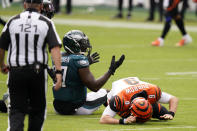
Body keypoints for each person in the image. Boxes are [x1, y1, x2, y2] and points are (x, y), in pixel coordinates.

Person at [0, 0, 62, 131]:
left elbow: (1, 47)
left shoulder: (13, 21)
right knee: (37, 112)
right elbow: (55, 47)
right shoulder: (46, 23)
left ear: (24, 4)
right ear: (40, 6)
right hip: (37, 72)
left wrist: (1, 65)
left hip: (16, 71)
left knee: (16, 112)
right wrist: (58, 72)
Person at [49, 30, 125, 115]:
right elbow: (95, 87)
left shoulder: (57, 56)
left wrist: (86, 64)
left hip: (58, 107)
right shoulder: (79, 60)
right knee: (107, 92)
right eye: (82, 43)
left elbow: (70, 70)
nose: (85, 46)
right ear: (74, 44)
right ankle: (113, 109)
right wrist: (111, 70)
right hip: (77, 108)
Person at [100, 77, 179, 124]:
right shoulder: (120, 99)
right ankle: (104, 93)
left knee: (164, 114)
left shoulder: (151, 91)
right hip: (120, 92)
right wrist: (123, 121)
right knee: (129, 118)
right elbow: (103, 119)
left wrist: (171, 113)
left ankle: (147, 112)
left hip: (134, 88)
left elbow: (173, 99)